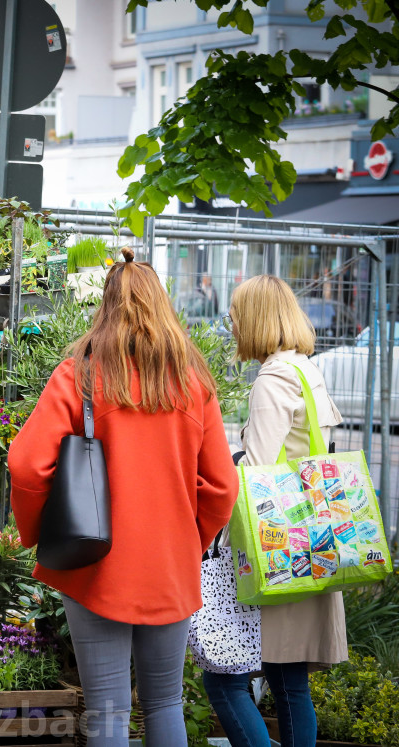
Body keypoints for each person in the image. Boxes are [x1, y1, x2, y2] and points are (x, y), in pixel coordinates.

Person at [8, 249, 239, 746]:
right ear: (164, 305)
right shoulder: (195, 383)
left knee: (108, 710)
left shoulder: (79, 376)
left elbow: (27, 465)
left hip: (95, 562)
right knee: (164, 702)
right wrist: (188, 541)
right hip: (169, 564)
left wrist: (36, 533)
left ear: (105, 306)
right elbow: (222, 485)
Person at [203, 275, 347, 747]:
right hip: (313, 540)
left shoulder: (270, 380)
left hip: (274, 550)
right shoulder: (308, 371)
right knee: (290, 682)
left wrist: (215, 537)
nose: (233, 324)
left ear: (256, 320)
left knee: (223, 679)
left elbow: (258, 473)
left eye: (237, 315)